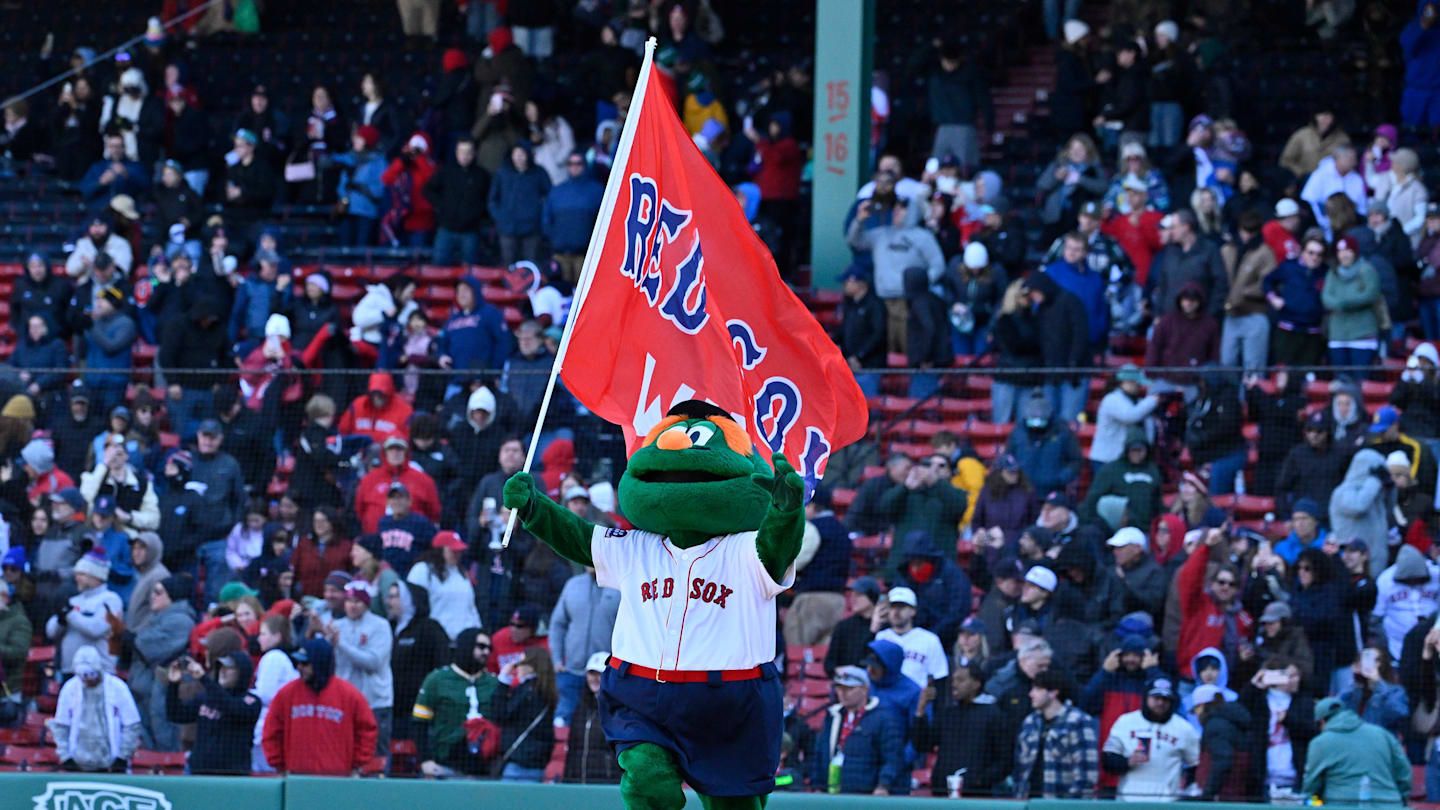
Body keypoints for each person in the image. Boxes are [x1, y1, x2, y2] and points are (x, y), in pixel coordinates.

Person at [263, 638, 379, 776]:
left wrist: (357, 763)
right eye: (298, 662)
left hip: (337, 779)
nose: (299, 667)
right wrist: (279, 764)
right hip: (297, 778)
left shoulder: (350, 695)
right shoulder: (286, 695)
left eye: (305, 663)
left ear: (320, 663)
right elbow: (271, 732)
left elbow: (367, 731)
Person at [414, 629, 503, 778]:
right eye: (481, 646)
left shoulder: (494, 682)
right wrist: (426, 760)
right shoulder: (437, 679)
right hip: (446, 764)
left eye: (489, 648)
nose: (486, 652)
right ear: (466, 646)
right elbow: (419, 723)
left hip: (486, 767)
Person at [911, 661, 1008, 796]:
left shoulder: (994, 715)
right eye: (953, 680)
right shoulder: (948, 714)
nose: (954, 684)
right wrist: (921, 710)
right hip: (942, 794)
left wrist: (979, 781)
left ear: (976, 683)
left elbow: (1004, 760)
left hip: (976, 798)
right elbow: (922, 745)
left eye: (960, 680)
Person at [811, 666, 907, 795]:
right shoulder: (832, 715)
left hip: (866, 795)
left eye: (849, 688)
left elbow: (893, 757)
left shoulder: (884, 718)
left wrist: (883, 785)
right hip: (832, 793)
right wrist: (817, 786)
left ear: (865, 690)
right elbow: (819, 753)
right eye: (839, 688)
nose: (843, 693)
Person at [1101, 676, 1199, 801]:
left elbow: (1194, 765)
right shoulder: (1125, 722)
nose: (1160, 703)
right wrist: (1127, 761)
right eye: (1156, 698)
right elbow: (1107, 760)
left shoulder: (1184, 728)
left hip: (1167, 801)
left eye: (1165, 699)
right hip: (1129, 800)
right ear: (1146, 698)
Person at [164, 650, 260, 775]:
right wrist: (173, 684)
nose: (223, 671)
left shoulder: (251, 701)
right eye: (221, 667)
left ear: (241, 673)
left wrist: (203, 679)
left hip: (233, 776)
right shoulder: (207, 697)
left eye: (229, 668)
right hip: (199, 772)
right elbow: (175, 715)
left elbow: (231, 707)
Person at [1301, 697, 1411, 803]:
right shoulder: (1382, 734)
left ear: (1322, 721)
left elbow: (1312, 784)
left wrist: (1311, 802)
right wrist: (1400, 800)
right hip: (1389, 803)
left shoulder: (1320, 743)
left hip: (1340, 804)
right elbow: (1404, 772)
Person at [549, 565, 620, 726]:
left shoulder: (620, 586)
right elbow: (558, 624)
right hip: (571, 672)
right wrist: (557, 661)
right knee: (562, 723)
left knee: (600, 726)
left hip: (604, 674)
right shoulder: (573, 584)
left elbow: (630, 631)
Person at [1178, 530, 1254, 679]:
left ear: (1237, 589)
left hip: (1226, 682)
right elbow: (1189, 579)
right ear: (1212, 584)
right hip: (1192, 678)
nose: (1225, 587)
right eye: (1221, 582)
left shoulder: (1244, 618)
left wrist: (1245, 658)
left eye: (1231, 584)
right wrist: (1206, 547)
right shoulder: (1198, 604)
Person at [53, 645, 141, 772]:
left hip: (112, 764)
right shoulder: (69, 688)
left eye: (91, 675)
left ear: (99, 669)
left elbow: (132, 725)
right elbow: (61, 726)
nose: (88, 680)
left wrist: (122, 757)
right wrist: (66, 757)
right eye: (83, 676)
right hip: (78, 764)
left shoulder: (118, 687)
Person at [1013, 669, 1098, 798]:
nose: (1031, 694)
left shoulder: (1078, 721)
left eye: (1037, 689)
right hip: (1027, 801)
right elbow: (1019, 767)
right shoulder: (1030, 722)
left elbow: (1087, 773)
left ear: (1053, 693)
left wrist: (1070, 805)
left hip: (1060, 803)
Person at [385, 580, 448, 746]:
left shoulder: (430, 628)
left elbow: (442, 666)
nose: (388, 602)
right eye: (388, 597)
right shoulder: (387, 627)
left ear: (409, 599)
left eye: (394, 597)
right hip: (392, 706)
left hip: (420, 709)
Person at [491, 646, 557, 781]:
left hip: (519, 763)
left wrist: (503, 681)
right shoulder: (547, 693)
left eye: (520, 663)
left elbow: (499, 714)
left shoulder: (526, 692)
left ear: (531, 665)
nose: (516, 668)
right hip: (538, 763)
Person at [425, 138, 490, 265]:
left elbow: (489, 199)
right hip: (446, 228)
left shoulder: (482, 175)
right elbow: (428, 190)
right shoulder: (446, 171)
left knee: (470, 269)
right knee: (439, 265)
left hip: (470, 231)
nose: (464, 156)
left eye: (468, 152)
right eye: (461, 152)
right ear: (456, 153)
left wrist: (478, 214)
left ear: (474, 153)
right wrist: (442, 206)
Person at [1322, 235, 1383, 368]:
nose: (1344, 255)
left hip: (1362, 335)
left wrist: (1344, 302)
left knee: (1360, 380)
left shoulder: (1367, 270)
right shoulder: (1333, 273)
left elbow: (1369, 294)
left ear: (1355, 252)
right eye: (1340, 251)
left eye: (1348, 251)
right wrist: (1340, 303)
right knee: (1341, 381)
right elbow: (1326, 297)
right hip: (1338, 334)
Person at [873, 586, 949, 689]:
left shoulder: (930, 639)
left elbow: (939, 676)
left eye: (902, 607)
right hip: (888, 698)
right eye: (893, 606)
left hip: (918, 699)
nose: (896, 611)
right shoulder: (881, 637)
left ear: (913, 611)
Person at [489, 142, 551, 265]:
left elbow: (550, 197)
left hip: (532, 229)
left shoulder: (539, 173)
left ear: (528, 155)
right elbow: (492, 199)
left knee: (530, 266)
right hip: (507, 229)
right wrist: (500, 217)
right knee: (508, 266)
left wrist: (539, 215)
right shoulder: (502, 173)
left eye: (522, 154)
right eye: (515, 154)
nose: (519, 157)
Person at [251, 614, 299, 772]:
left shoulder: (274, 657)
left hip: (267, 726)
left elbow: (265, 694)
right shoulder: (284, 658)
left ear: (277, 636)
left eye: (263, 634)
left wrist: (244, 697)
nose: (259, 639)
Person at [1302, 145, 1366, 239]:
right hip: (1322, 221)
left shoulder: (1357, 178)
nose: (1355, 162)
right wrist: (1324, 221)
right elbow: (1309, 199)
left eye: (1354, 158)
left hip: (1350, 223)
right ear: (1338, 159)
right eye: (1350, 159)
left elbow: (1362, 208)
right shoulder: (1320, 174)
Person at [824, 577, 881, 677]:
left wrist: (873, 632)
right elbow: (829, 664)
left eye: (858, 595)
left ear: (871, 597)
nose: (853, 598)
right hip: (846, 681)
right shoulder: (843, 626)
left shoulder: (884, 626)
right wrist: (839, 670)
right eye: (852, 594)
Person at [1279, 108, 1351, 179]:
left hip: (1333, 182)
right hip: (1303, 182)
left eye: (1329, 115)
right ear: (1315, 116)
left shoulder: (1343, 139)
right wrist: (1301, 173)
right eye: (1322, 115)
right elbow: (1286, 160)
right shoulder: (1301, 135)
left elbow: (1349, 162)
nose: (1325, 119)